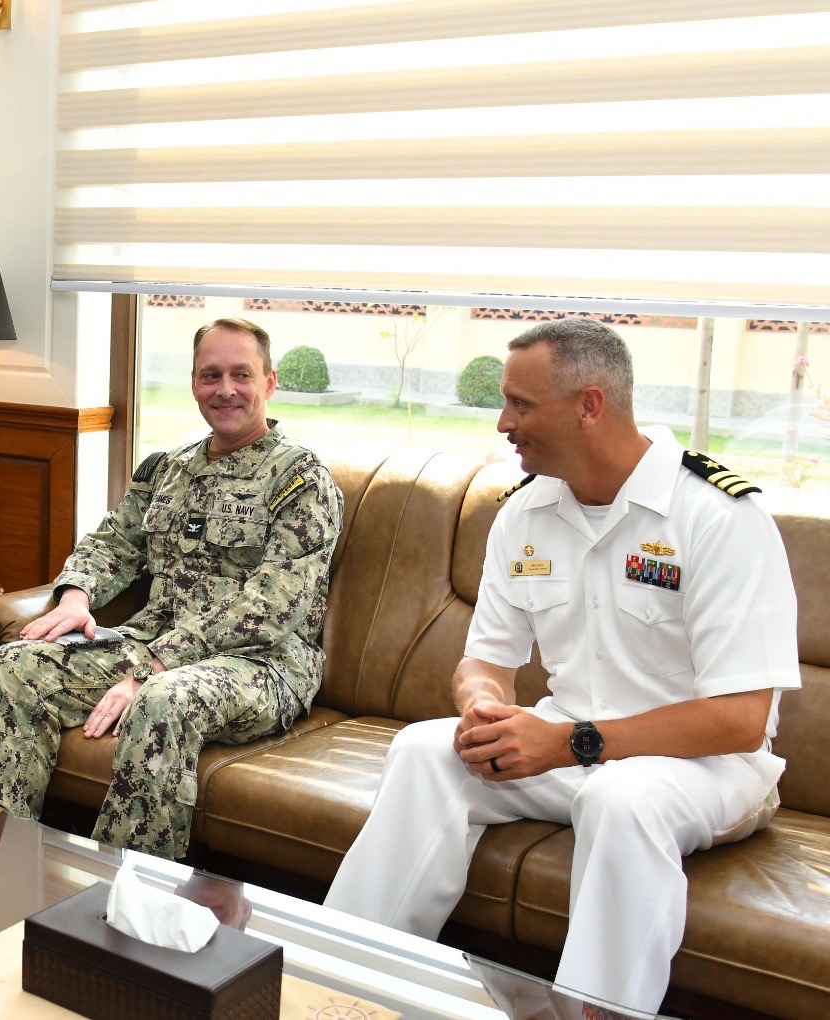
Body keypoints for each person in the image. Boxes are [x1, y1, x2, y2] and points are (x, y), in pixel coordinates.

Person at [324, 317, 799, 1013]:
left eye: (520, 403)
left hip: (709, 768)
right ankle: (346, 984)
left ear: (589, 406)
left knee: (622, 798)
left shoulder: (719, 516)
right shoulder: (524, 516)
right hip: (573, 744)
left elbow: (740, 720)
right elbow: (485, 660)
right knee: (426, 752)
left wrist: (573, 741)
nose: (501, 422)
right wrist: (483, 706)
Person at [0, 317, 342, 859]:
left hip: (263, 666)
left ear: (270, 382)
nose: (226, 390)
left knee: (163, 701)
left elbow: (268, 609)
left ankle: (120, 901)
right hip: (151, 646)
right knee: (10, 668)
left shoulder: (301, 481)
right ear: (193, 383)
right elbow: (112, 543)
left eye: (242, 374)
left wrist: (155, 667)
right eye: (211, 375)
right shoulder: (169, 470)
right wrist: (75, 597)